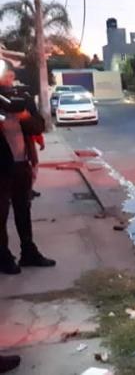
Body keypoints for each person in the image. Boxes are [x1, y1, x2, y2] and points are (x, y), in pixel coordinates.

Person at [0, 61, 55, 274]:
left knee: (23, 209)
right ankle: (3, 257)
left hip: (21, 163)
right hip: (1, 167)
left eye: (10, 73)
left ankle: (29, 252)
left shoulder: (22, 98)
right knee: (1, 213)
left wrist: (24, 116)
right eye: (5, 74)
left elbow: (40, 126)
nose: (9, 77)